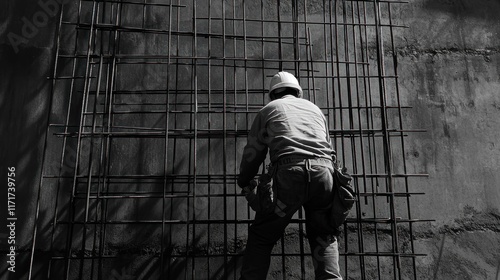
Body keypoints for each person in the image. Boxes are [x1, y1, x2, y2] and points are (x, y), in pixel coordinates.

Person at [238, 71, 342, 279]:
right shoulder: (315, 110)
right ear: (297, 92)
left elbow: (253, 152)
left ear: (273, 94)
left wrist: (244, 180)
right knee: (324, 235)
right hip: (324, 175)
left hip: (289, 176)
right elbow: (328, 148)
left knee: (262, 235)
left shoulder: (269, 110)